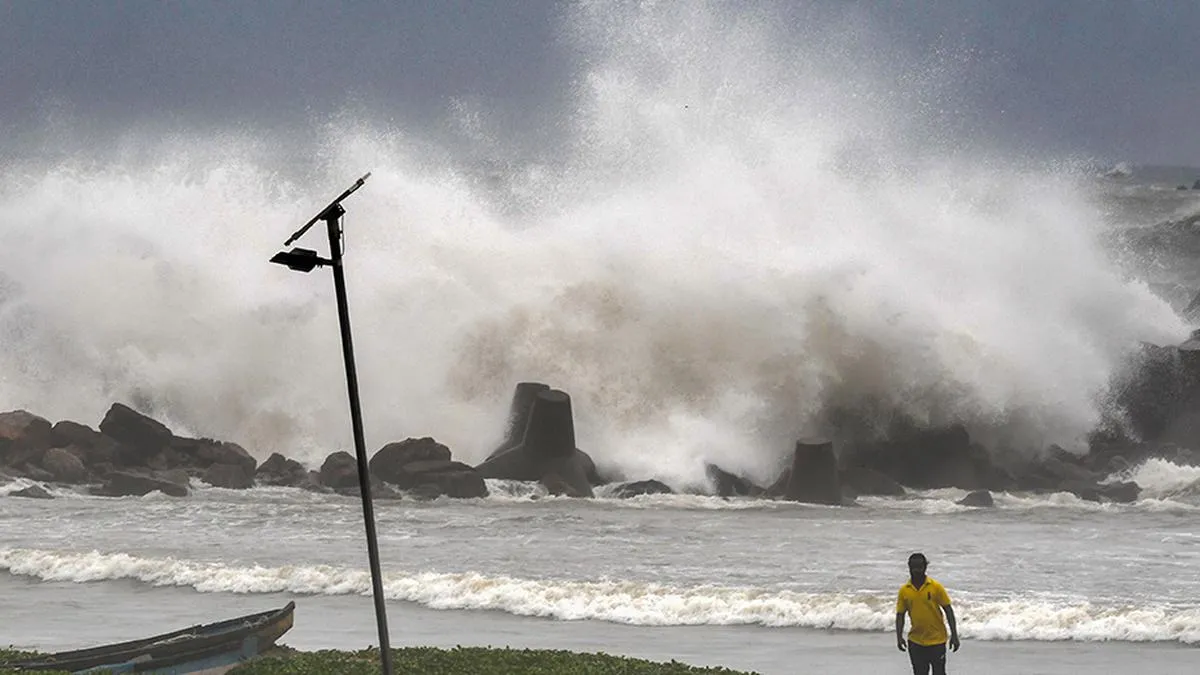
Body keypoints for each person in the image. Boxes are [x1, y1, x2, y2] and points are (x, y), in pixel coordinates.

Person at [895, 552, 959, 675]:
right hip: (915, 641)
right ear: (909, 567)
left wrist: (954, 636)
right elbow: (900, 615)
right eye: (913, 567)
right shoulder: (904, 591)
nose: (916, 570)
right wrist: (899, 637)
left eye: (919, 567)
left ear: (925, 567)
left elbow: (948, 610)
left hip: (937, 640)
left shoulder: (935, 587)